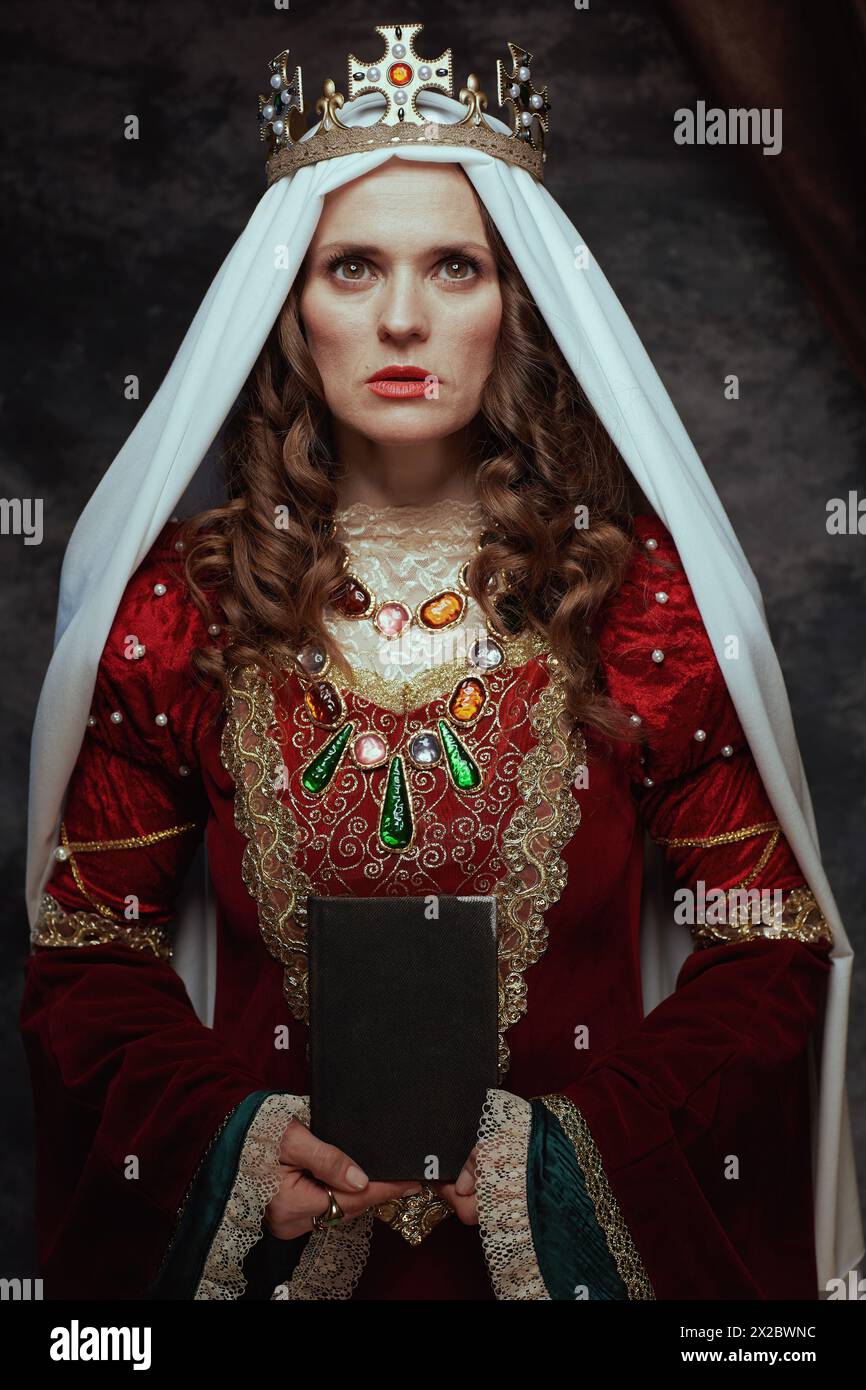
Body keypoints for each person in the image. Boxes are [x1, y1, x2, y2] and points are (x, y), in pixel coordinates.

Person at [20, 24, 863, 1301]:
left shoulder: (639, 612)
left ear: (512, 299)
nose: (401, 317)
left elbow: (763, 943)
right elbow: (89, 952)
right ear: (289, 305)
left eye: (451, 267)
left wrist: (565, 1154)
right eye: (352, 266)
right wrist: (241, 1144)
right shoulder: (183, 613)